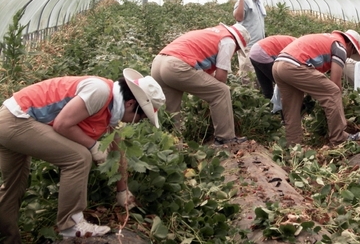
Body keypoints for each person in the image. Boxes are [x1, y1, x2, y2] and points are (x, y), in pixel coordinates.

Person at [0, 68, 166, 242]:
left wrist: (122, 190)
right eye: (140, 117)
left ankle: (9, 239)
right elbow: (62, 125)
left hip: (11, 118)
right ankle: (71, 224)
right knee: (79, 158)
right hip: (17, 120)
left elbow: (117, 149)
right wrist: (93, 146)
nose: (137, 122)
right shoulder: (100, 92)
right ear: (130, 104)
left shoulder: (112, 109)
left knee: (13, 187)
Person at [151, 23, 250, 145]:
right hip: (176, 66)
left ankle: (171, 147)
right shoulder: (228, 41)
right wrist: (210, 96)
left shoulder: (211, 33)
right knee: (221, 92)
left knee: (170, 113)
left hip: (158, 62)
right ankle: (225, 138)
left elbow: (203, 73)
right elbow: (220, 78)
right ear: (238, 43)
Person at [272, 30, 360, 145]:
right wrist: (338, 105)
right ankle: (339, 137)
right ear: (350, 45)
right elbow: (335, 82)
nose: (349, 56)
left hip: (278, 64)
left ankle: (293, 146)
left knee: (292, 108)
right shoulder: (340, 48)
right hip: (294, 65)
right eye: (352, 52)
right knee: (333, 92)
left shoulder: (328, 38)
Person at [233, 0, 266, 76]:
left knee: (257, 76)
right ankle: (246, 92)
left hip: (258, 46)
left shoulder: (257, 2)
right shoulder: (244, 1)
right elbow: (238, 18)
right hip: (248, 47)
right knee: (248, 76)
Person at [249, 35, 296, 99]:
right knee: (283, 83)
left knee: (265, 82)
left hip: (254, 51)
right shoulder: (298, 47)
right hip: (263, 53)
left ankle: (268, 102)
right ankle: (290, 105)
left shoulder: (294, 41)